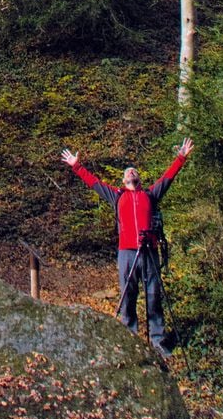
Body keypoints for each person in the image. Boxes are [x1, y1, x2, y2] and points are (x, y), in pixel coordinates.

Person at [60, 137, 194, 355]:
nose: (130, 172)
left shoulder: (150, 195)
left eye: (134, 171)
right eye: (127, 172)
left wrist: (181, 157)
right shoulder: (117, 196)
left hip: (149, 251)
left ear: (138, 178)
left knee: (153, 295)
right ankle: (129, 339)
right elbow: (94, 183)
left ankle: (158, 341)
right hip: (127, 253)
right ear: (123, 180)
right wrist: (76, 166)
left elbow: (167, 178)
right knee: (128, 295)